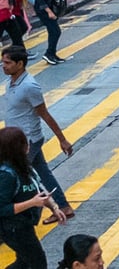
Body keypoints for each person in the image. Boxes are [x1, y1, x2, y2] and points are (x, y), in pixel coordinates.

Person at [2, 46, 75, 225]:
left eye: (8, 63)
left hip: (27, 141)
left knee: (19, 176)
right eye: (3, 62)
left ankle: (30, 213)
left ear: (20, 64)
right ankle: (63, 206)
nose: (3, 66)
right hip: (15, 140)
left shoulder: (29, 86)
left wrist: (62, 139)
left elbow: (45, 114)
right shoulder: (11, 82)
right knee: (42, 173)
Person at [0, 126, 67, 269]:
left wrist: (54, 207)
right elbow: (2, 208)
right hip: (12, 228)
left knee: (24, 262)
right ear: (17, 148)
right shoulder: (6, 175)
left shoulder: (24, 166)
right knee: (37, 262)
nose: (29, 145)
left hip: (24, 224)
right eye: (24, 142)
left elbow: (38, 190)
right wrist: (32, 202)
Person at [31, 0, 65, 65]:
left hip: (49, 9)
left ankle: (52, 54)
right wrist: (49, 12)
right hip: (44, 11)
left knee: (54, 31)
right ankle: (49, 53)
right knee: (55, 31)